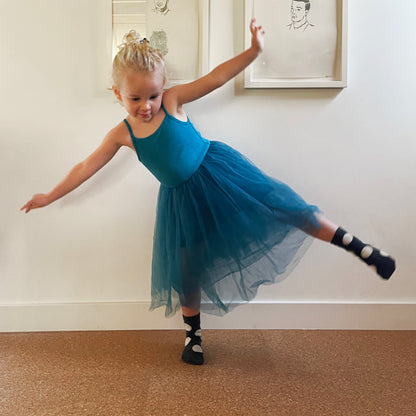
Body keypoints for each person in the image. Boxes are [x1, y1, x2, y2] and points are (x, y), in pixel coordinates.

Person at [21, 19, 395, 366]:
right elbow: (86, 166)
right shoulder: (123, 133)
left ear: (162, 89)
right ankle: (193, 337)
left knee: (285, 206)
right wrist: (50, 195)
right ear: (117, 93)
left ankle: (359, 247)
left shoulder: (172, 102)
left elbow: (217, 78)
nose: (146, 106)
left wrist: (253, 52)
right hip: (181, 201)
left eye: (152, 95)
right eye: (135, 99)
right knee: (187, 269)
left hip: (219, 174)